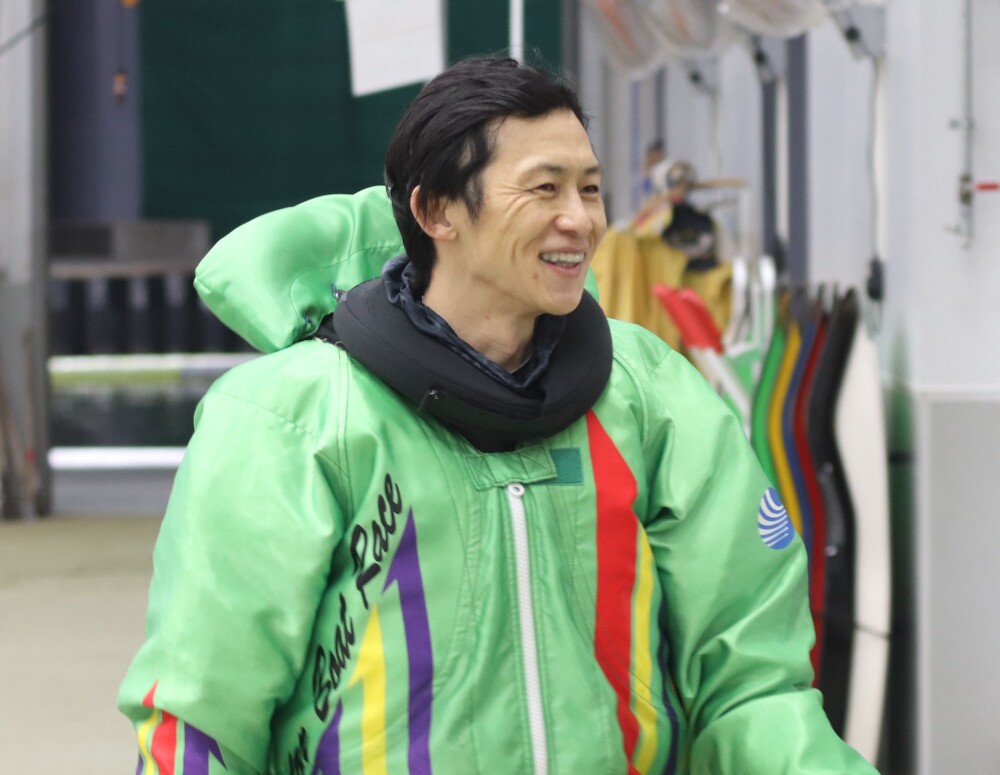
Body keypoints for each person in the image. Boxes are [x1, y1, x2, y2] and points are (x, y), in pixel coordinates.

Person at [119, 56, 877, 774]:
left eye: (590, 189)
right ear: (436, 210)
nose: (579, 220)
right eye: (545, 189)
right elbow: (202, 720)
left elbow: (750, 685)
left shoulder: (648, 394)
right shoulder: (293, 417)